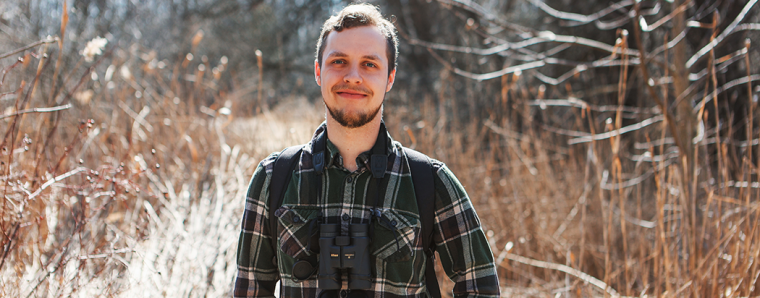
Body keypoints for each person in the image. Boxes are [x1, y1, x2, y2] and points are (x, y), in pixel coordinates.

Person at [235, 4, 500, 298]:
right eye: (338, 61)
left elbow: (481, 288)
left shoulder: (430, 181)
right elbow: (250, 291)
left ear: (390, 78)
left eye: (369, 64)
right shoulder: (274, 178)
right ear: (318, 72)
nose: (353, 76)